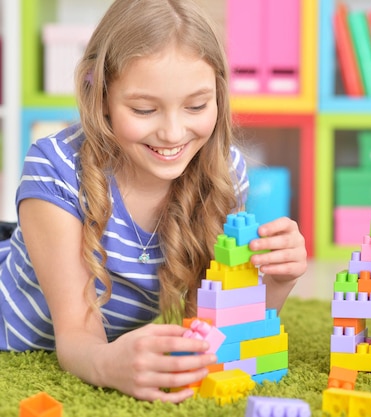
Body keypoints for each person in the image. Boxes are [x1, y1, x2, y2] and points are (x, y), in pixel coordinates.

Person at [0, 0, 307, 403]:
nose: (172, 132)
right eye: (144, 109)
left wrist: (278, 280)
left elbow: (216, 326)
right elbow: (77, 337)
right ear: (101, 95)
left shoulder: (224, 172)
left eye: (196, 106)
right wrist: (108, 364)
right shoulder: (55, 166)